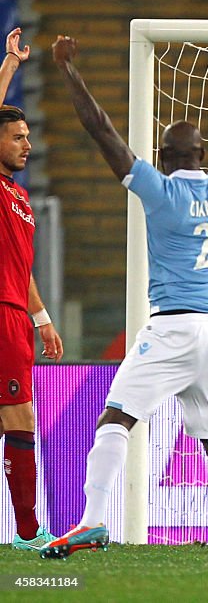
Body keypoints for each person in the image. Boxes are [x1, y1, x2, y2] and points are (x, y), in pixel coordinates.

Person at [43, 35, 208, 561]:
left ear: (162, 155)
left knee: (117, 419)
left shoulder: (159, 188)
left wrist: (68, 70)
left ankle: (91, 521)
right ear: (203, 154)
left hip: (172, 328)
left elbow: (100, 129)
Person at [0, 27, 63, 551]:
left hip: (17, 315)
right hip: (0, 316)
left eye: (27, 136)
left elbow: (22, 268)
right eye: (17, 136)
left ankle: (25, 531)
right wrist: (10, 67)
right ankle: (26, 534)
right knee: (19, 420)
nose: (27, 144)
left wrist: (42, 320)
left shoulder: (19, 198)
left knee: (15, 420)